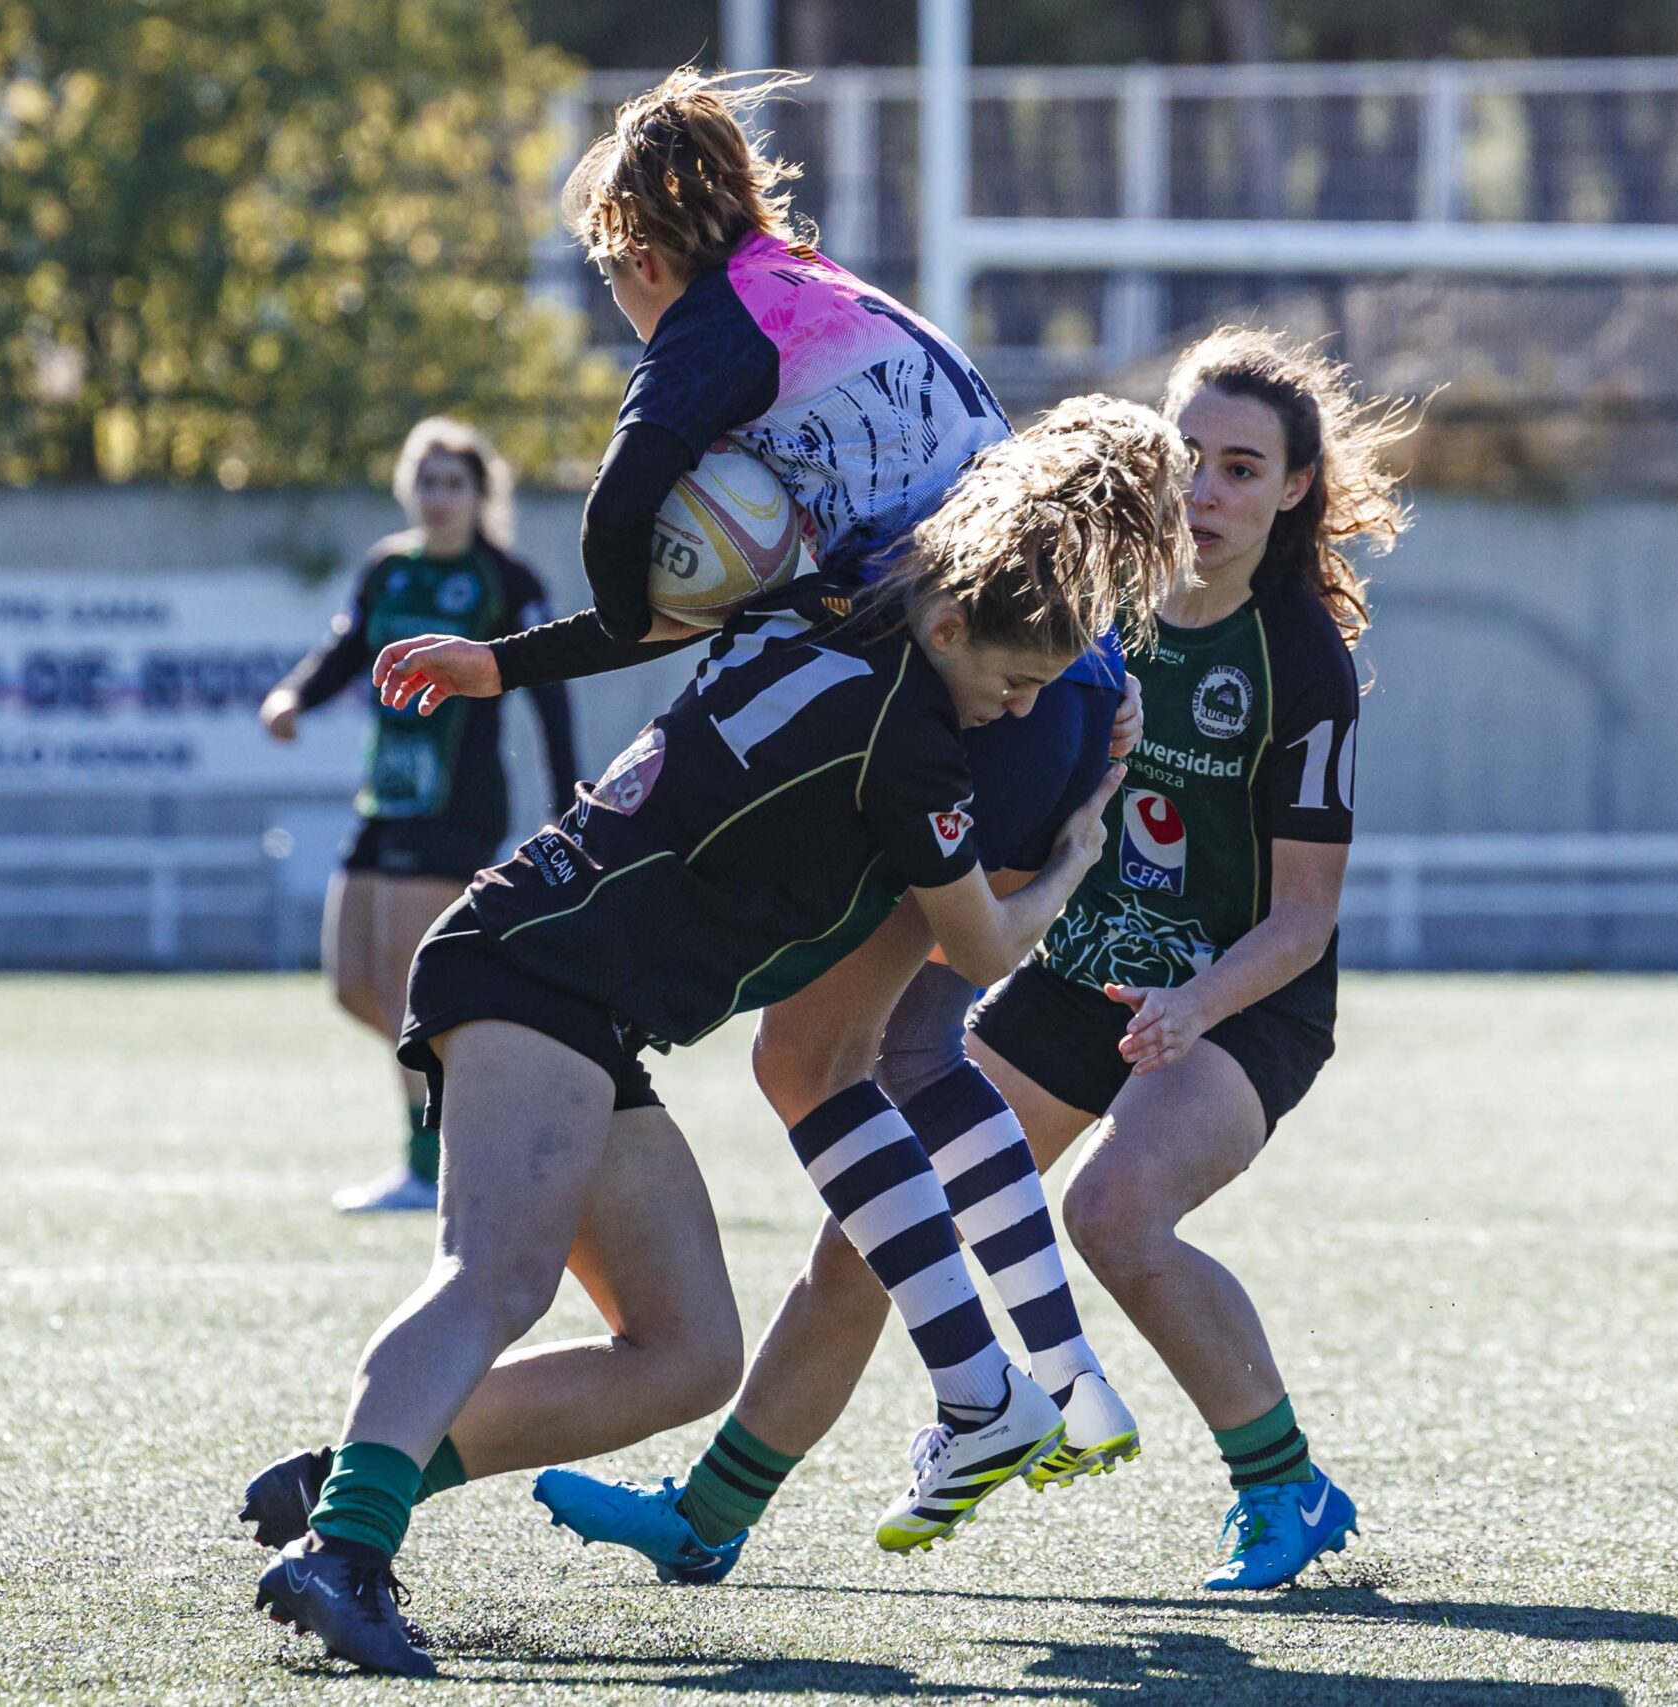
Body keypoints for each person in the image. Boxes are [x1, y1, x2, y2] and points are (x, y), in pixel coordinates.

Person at [251, 398, 1194, 1677]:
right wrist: (1075, 852)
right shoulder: (911, 740)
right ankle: (345, 1555)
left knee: (687, 1356)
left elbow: (660, 615)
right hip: (533, 965)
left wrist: (504, 659)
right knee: (497, 1276)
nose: (1022, 713)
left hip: (589, 1005)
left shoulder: (833, 591)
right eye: (1014, 684)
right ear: (956, 624)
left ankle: (356, 1479)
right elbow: (979, 952)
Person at [368, 67, 1152, 1529]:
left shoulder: (714, 324)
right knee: (908, 1049)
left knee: (815, 1064)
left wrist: (639, 585)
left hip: (967, 695)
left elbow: (621, 530)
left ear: (635, 251)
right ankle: (1048, 1370)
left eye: (612, 282)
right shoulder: (836, 301)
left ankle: (987, 1387)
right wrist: (521, 658)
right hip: (1064, 682)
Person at [536, 324, 1413, 1597]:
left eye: (1240, 469)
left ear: (1292, 489)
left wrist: (1192, 1002)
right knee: (875, 1227)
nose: (1207, 493)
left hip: (1236, 1005)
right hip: (1068, 979)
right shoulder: (1090, 601)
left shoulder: (1301, 666)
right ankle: (708, 1515)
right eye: (1189, 459)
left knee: (1116, 1213)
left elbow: (1303, 918)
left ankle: (1284, 1487)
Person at [258, 419, 579, 1214]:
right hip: (385, 796)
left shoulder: (505, 579)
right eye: (426, 482)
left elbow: (549, 688)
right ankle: (482, 1084)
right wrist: (294, 695)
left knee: (407, 983)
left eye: (453, 484)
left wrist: (568, 796)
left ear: (480, 495)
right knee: (352, 984)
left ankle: (429, 1162)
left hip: (456, 804)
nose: (438, 497)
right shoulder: (387, 569)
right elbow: (345, 649)